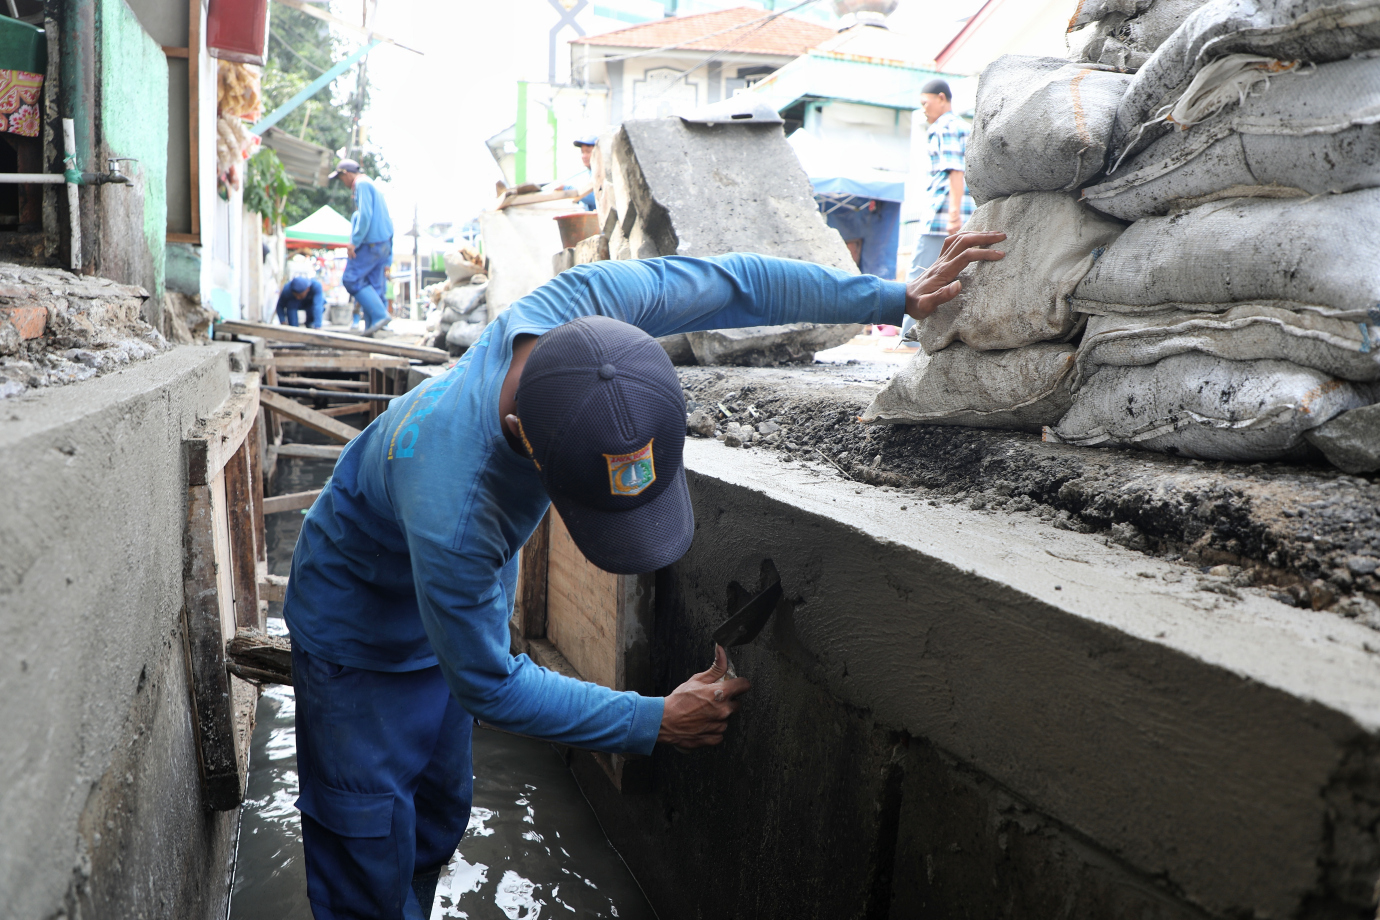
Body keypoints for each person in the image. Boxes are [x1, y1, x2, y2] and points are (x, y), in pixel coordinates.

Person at [284, 232, 1005, 920]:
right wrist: (653, 720)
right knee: (367, 848)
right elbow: (490, 684)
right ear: (526, 445)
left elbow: (732, 284)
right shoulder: (457, 506)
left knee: (440, 811)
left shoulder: (581, 314)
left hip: (449, 614)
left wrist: (889, 297)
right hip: (361, 637)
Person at [900, 79, 977, 345]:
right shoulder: (963, 126)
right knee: (950, 275)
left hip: (942, 214)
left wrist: (953, 213)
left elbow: (955, 170)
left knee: (919, 274)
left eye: (925, 102)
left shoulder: (944, 127)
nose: (923, 109)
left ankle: (909, 339)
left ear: (941, 98)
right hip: (960, 211)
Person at [331, 158, 394, 337]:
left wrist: (354, 243)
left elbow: (365, 216)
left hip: (371, 244)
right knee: (373, 287)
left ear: (346, 173)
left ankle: (380, 314)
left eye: (341, 178)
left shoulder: (362, 184)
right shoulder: (373, 186)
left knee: (351, 279)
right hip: (383, 244)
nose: (343, 183)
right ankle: (372, 328)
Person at [570, 134, 597, 211]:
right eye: (582, 152)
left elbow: (594, 198)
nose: (584, 156)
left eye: (588, 152)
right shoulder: (588, 174)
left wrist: (568, 189)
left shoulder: (603, 173)